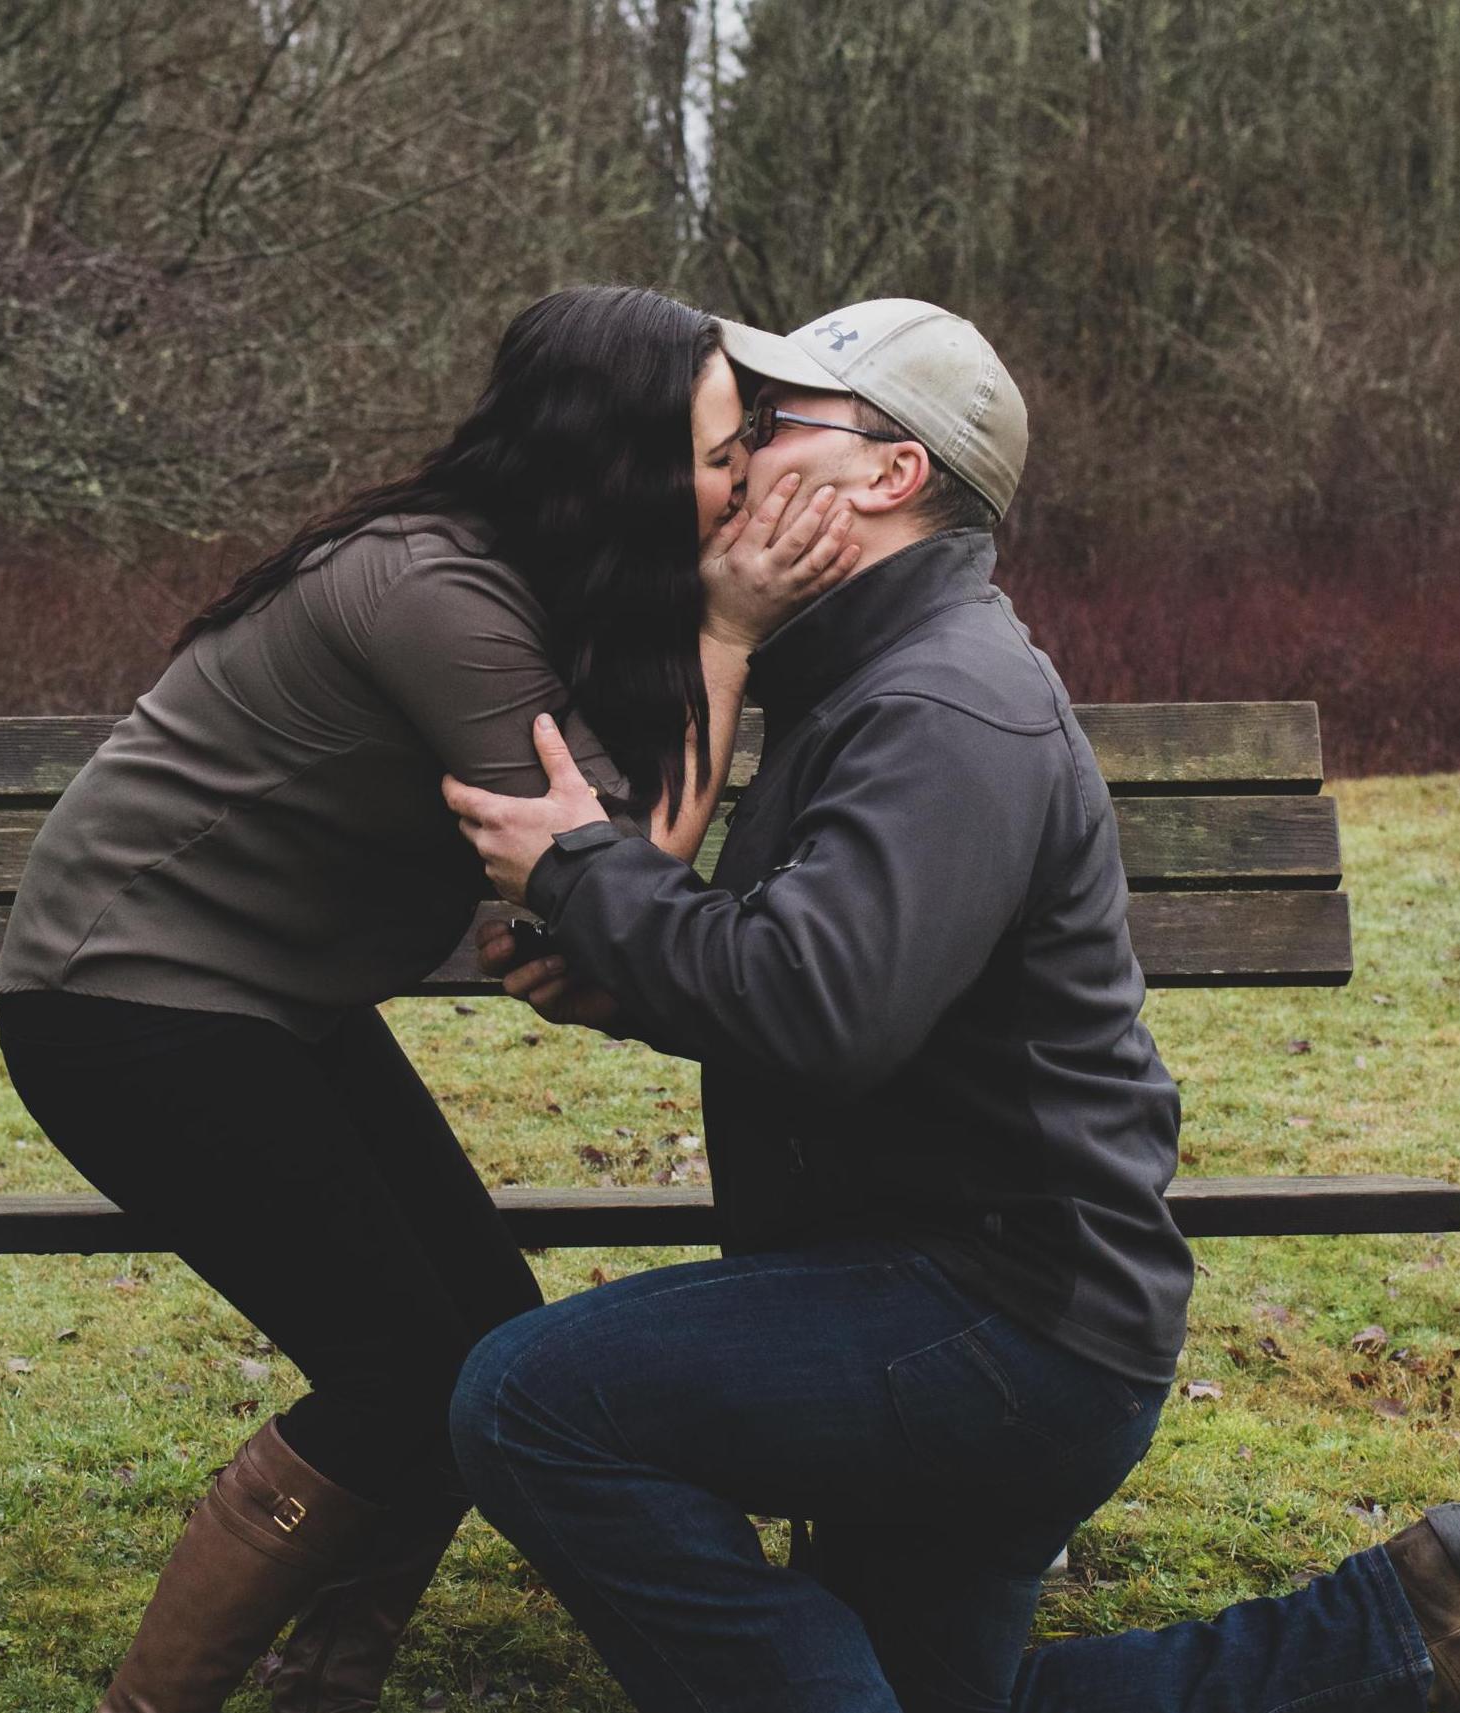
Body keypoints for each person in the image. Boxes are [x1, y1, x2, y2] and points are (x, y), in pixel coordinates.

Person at [442, 297, 1460, 1713]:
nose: (735, 454)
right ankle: (1396, 1630)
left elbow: (820, 1007)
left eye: (773, 422)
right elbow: (844, 981)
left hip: (1001, 1323)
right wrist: (625, 980)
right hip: (964, 1292)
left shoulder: (943, 703)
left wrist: (582, 870)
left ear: (889, 472)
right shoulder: (872, 677)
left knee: (531, 1399)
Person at [0, 284, 861, 1713]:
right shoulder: (432, 593)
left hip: (268, 1006)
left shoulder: (530, 577)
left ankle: (321, 1687)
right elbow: (626, 860)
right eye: (719, 454)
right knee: (400, 1372)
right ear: (619, 466)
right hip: (127, 1000)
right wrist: (730, 630)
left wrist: (564, 925)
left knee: (481, 1348)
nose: (744, 479)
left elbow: (583, 873)